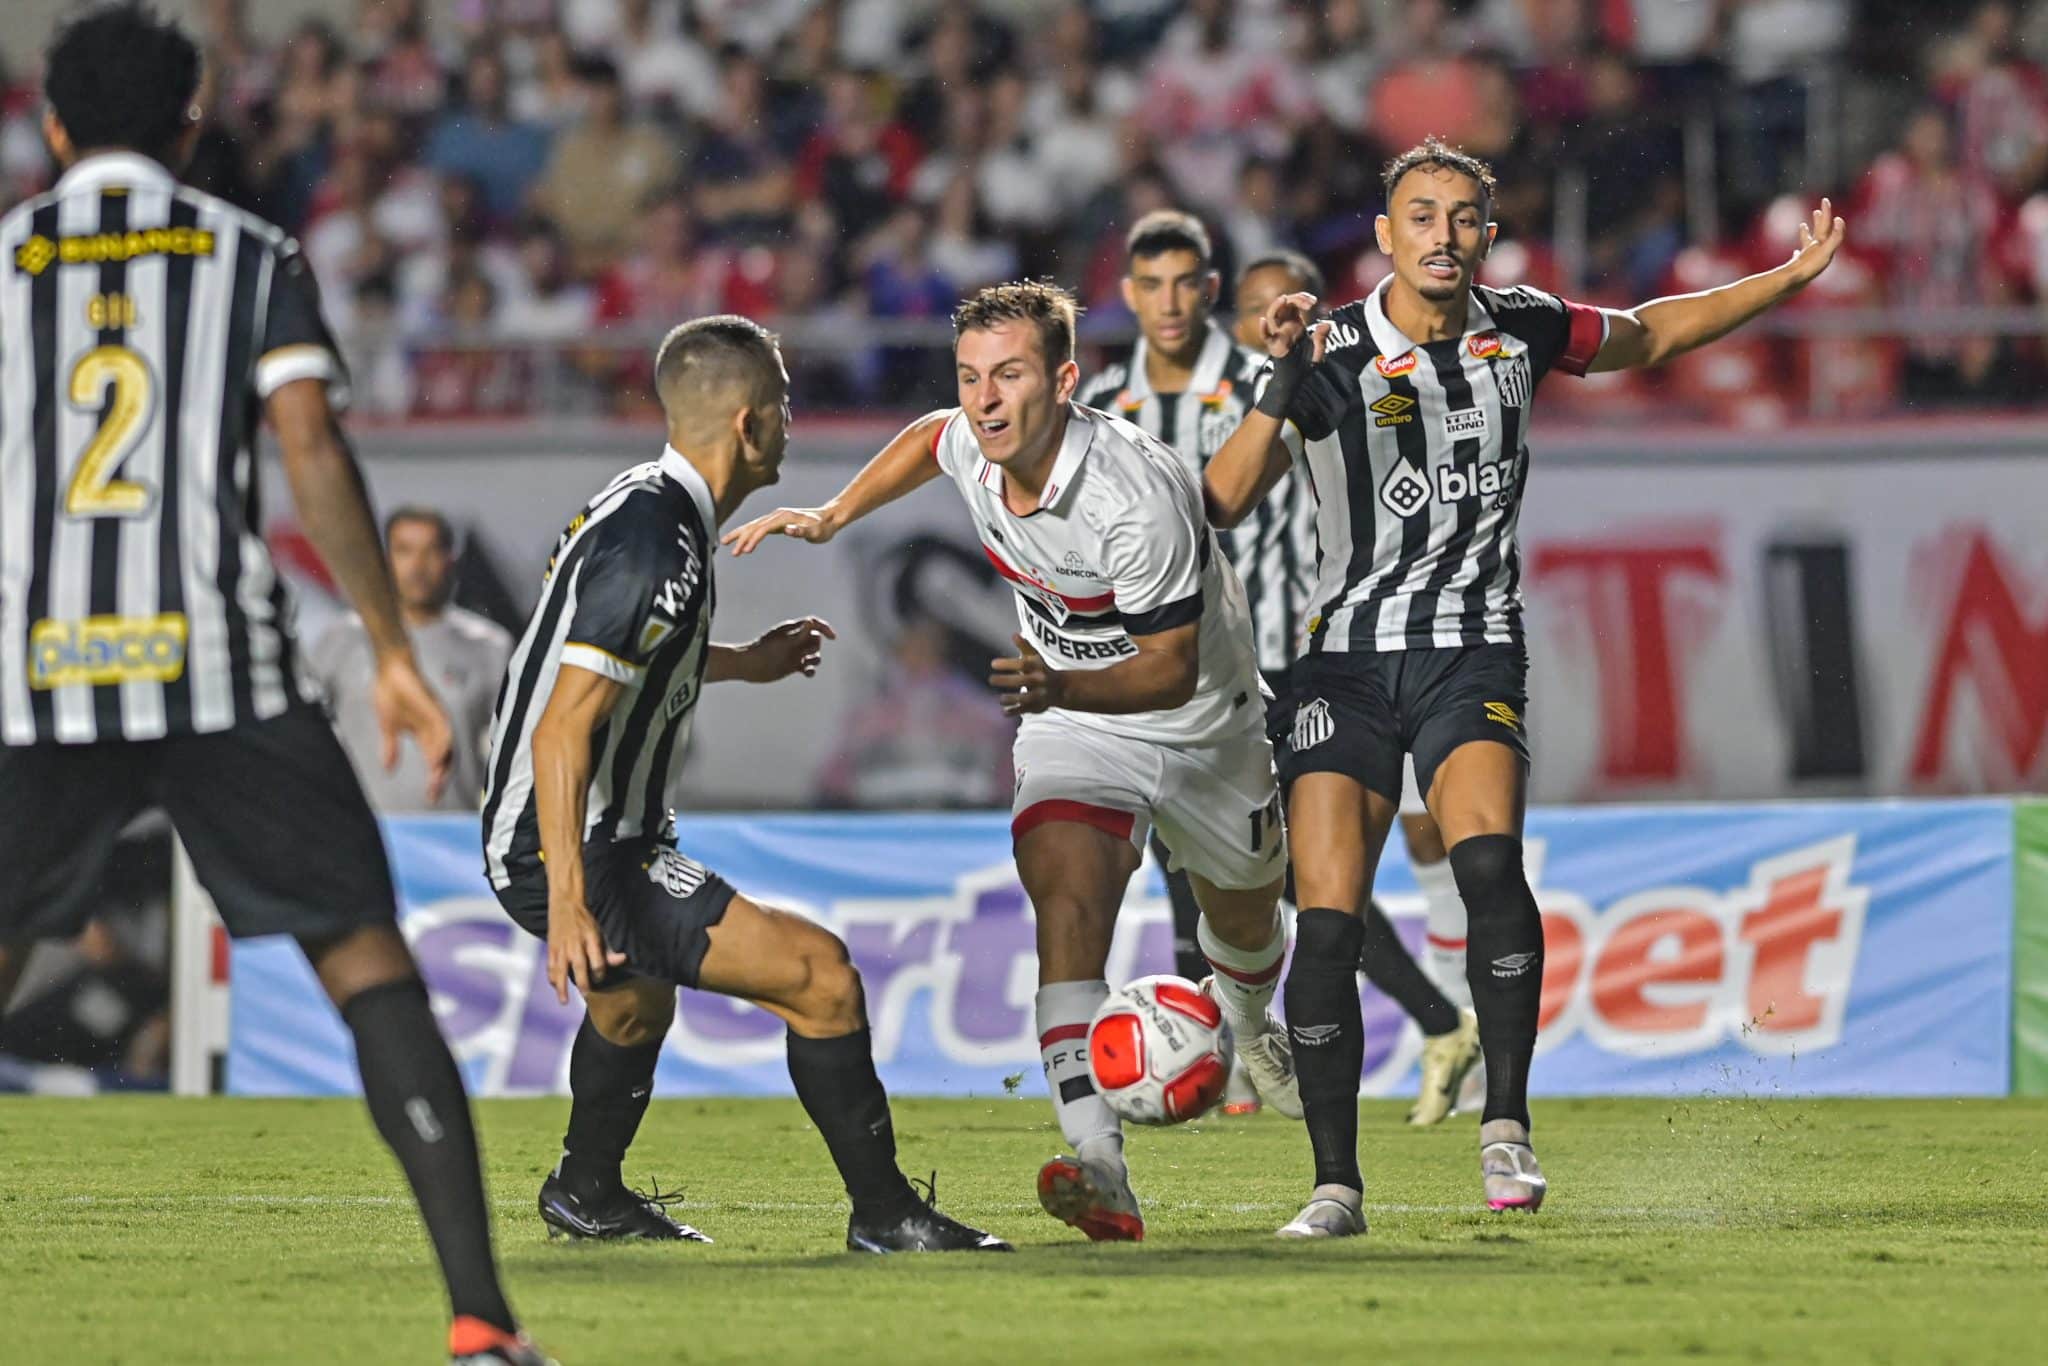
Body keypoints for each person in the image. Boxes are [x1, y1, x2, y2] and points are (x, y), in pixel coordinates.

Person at [0, 8, 546, 1363]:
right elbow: (307, 444)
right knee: (367, 965)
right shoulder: (251, 255)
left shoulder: (5, 268)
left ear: (52, 127)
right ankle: (480, 1318)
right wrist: (394, 649)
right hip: (221, 668)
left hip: (41, 677)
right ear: (191, 129)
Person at [1208, 137, 1846, 1236]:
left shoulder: (1523, 327)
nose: (1441, 235)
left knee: (1489, 862)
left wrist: (1781, 281)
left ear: (1485, 232)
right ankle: (1333, 1186)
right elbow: (1221, 497)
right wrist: (1276, 382)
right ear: (1383, 237)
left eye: (1461, 216)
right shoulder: (1331, 352)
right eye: (1420, 216)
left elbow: (1648, 333)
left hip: (1471, 646)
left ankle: (1505, 1125)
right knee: (1324, 925)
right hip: (1344, 663)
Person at [727, 282, 1301, 1244]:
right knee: (1067, 905)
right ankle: (1099, 1164)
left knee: (1244, 922)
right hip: (1074, 721)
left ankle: (1246, 1019)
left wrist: (1058, 687)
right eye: (971, 377)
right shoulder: (974, 441)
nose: (984, 400)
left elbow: (1166, 670)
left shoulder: (1133, 495)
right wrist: (833, 513)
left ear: (1066, 381)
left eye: (1010, 376)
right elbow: (929, 436)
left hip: (1204, 725)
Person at [480, 315, 1009, 1256]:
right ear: (749, 425)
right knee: (820, 977)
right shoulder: (657, 539)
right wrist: (569, 898)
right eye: (785, 402)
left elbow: (619, 662)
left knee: (635, 1005)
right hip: (576, 840)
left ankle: (585, 1193)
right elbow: (564, 727)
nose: (792, 420)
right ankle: (887, 1217)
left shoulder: (651, 509)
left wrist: (740, 664)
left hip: (591, 829)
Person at [1078, 213, 1480, 1125]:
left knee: (1266, 866)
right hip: (1164, 660)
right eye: (1152, 285)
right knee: (1201, 860)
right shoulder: (1102, 399)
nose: (1172, 303)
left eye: (1188, 283)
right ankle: (1242, 1053)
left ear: (1209, 290)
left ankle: (1261, 1048)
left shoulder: (1265, 380)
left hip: (1283, 653)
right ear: (1130, 295)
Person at [310, 507, 512, 812]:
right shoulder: (341, 639)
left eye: (430, 551)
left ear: (450, 560)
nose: (417, 566)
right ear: (383, 558)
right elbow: (307, 734)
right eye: (404, 551)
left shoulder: (490, 647)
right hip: (359, 830)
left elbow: (517, 750)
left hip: (453, 837)